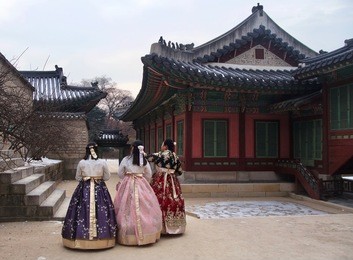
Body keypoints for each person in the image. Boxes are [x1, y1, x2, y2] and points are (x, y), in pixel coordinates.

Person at [62, 142, 117, 250]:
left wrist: (86, 178)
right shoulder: (102, 162)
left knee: (80, 210)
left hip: (84, 189)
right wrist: (98, 178)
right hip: (99, 187)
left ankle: (80, 238)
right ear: (97, 150)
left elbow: (77, 177)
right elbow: (107, 177)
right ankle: (103, 239)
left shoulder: (82, 162)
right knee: (103, 210)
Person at [114, 140, 162, 246]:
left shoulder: (126, 159)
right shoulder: (144, 161)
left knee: (126, 206)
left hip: (128, 182)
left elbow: (120, 173)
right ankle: (146, 232)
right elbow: (148, 174)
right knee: (144, 206)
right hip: (141, 182)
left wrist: (127, 177)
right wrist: (142, 180)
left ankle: (127, 232)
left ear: (132, 148)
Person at [147, 139, 186, 235]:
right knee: (174, 199)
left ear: (165, 146)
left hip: (160, 179)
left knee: (158, 198)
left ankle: (160, 226)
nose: (161, 146)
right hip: (172, 180)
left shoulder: (160, 154)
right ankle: (175, 225)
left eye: (162, 144)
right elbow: (180, 171)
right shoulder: (175, 156)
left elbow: (148, 158)